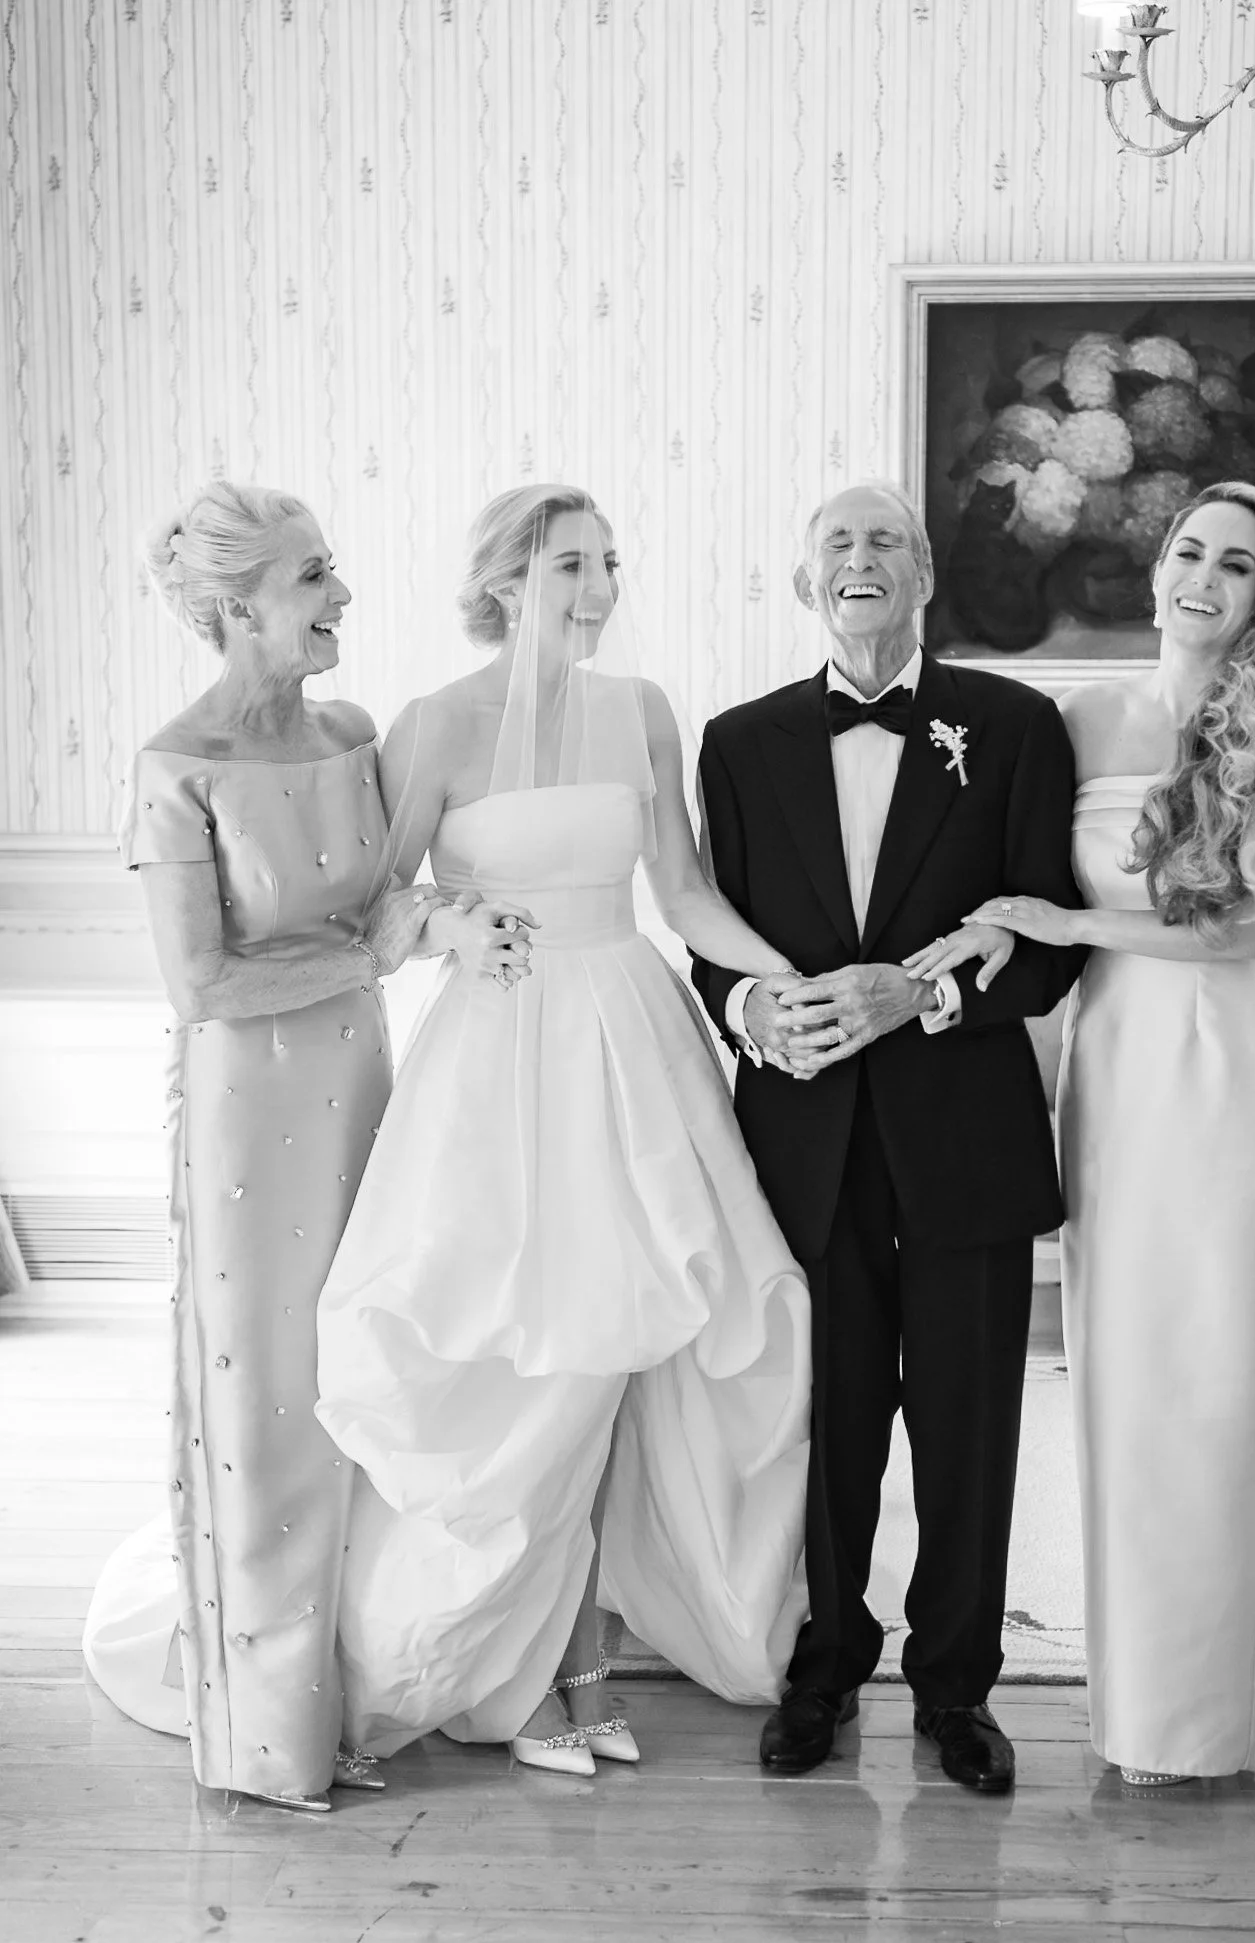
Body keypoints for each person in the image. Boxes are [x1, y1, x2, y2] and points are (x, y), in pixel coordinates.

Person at [921, 480, 1255, 1786]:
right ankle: (1129, 1708)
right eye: (1189, 550)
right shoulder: (1080, 716)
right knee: (1126, 1376)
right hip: (1117, 1067)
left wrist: (1077, 931)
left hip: (1228, 1061)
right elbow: (1013, 878)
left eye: (1236, 562)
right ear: (1157, 570)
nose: (1205, 575)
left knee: (1217, 1374)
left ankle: (1209, 1724)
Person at [313, 485, 813, 1776]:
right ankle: (529, 1669)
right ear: (505, 580)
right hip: (496, 1062)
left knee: (611, 1355)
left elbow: (684, 892)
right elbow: (370, 913)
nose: (599, 586)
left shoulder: (638, 710)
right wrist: (448, 926)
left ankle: (576, 1658)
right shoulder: (435, 725)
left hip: (628, 1044)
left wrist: (789, 981)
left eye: (607, 561)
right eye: (572, 564)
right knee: (525, 1364)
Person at [80, 481, 519, 1811]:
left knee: (365, 1373)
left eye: (333, 570)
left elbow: (395, 898)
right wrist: (376, 949)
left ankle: (373, 1678)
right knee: (265, 1400)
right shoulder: (178, 768)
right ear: (239, 606)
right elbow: (203, 984)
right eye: (316, 576)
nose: (343, 597)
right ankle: (272, 1737)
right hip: (249, 1117)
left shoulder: (353, 731)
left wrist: (466, 912)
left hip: (366, 1083)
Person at [690, 480, 1086, 1793]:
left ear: (924, 575)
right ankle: (826, 1661)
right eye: (837, 544)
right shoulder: (736, 744)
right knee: (831, 1422)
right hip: (805, 1145)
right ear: (808, 584)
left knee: (969, 1430)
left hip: (963, 1136)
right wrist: (750, 1007)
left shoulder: (1019, 725)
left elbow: (1045, 951)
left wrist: (920, 992)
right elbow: (710, 943)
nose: (861, 560)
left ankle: (958, 1688)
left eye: (884, 542)